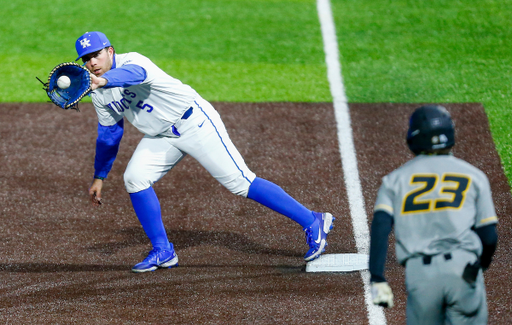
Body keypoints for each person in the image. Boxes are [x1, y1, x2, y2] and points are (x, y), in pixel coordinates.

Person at [74, 31, 335, 273]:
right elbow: (109, 135)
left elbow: (134, 75)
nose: (92, 62)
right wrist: (100, 176)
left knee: (241, 183)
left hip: (195, 123)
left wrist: (104, 81)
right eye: (86, 59)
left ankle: (313, 220)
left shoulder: (133, 61)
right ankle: (163, 251)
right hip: (161, 136)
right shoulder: (99, 94)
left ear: (110, 51)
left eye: (96, 54)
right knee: (134, 178)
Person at [369, 105, 498, 324]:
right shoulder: (474, 176)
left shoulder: (395, 180)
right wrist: (477, 267)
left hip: (422, 275)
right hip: (462, 270)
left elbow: (381, 227)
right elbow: (489, 236)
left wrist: (377, 277)